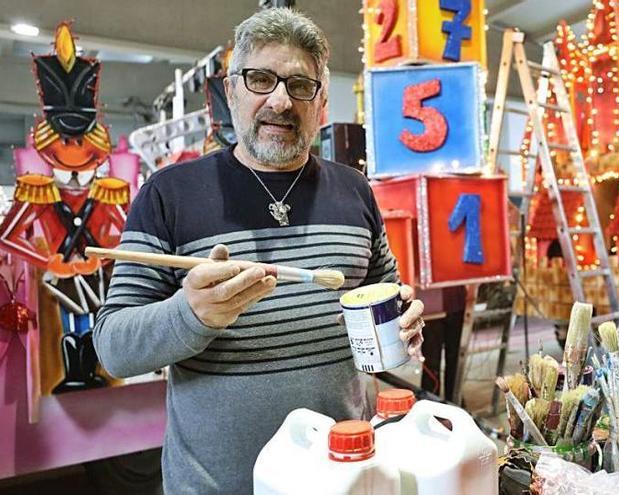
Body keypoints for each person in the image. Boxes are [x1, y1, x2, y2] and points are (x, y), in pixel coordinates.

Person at [92, 8, 424, 493]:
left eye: (300, 85)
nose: (281, 101)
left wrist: (403, 325)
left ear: (321, 102)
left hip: (345, 476)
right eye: (261, 79)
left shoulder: (354, 191)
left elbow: (385, 299)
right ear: (231, 91)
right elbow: (114, 349)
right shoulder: (170, 194)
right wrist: (192, 315)